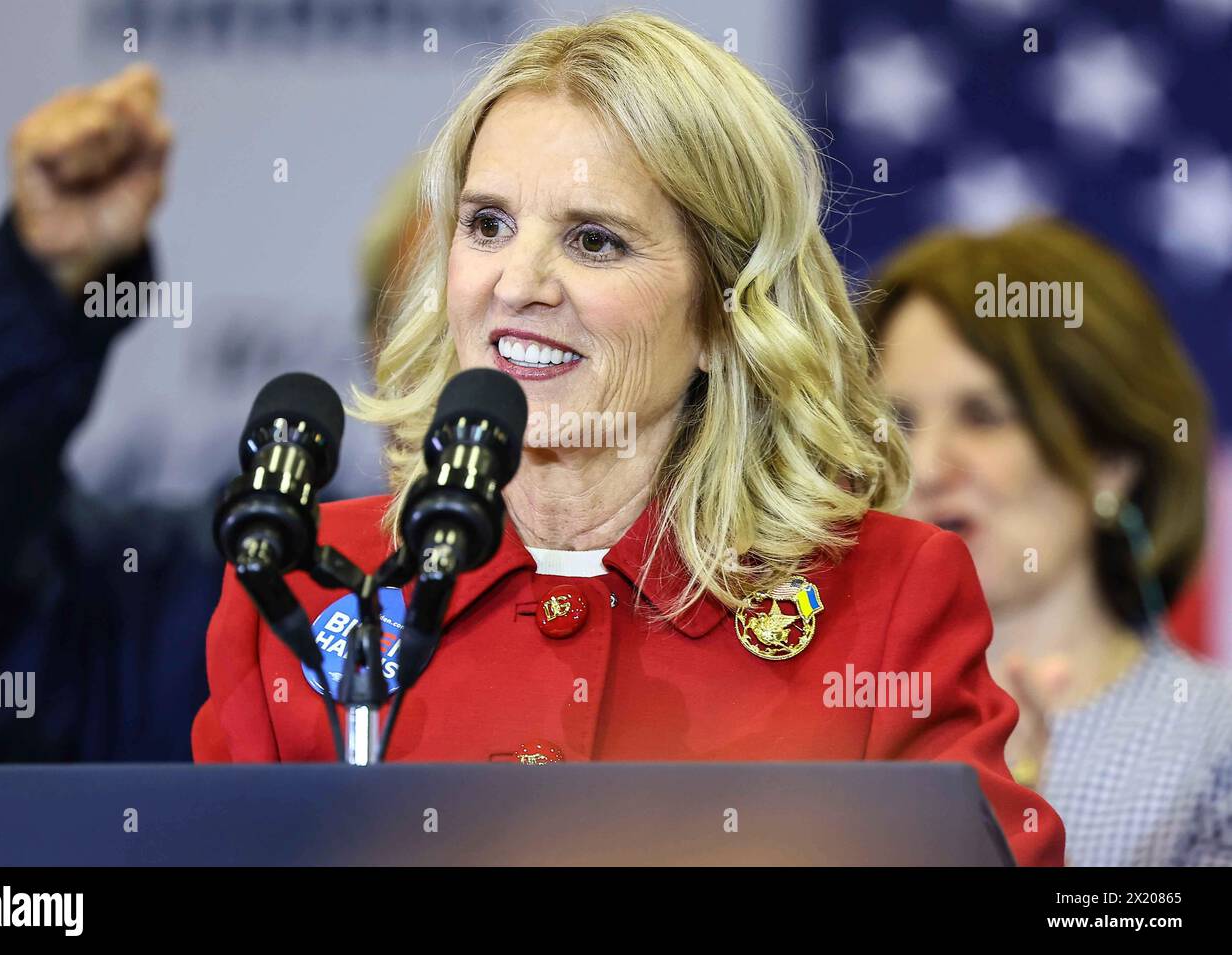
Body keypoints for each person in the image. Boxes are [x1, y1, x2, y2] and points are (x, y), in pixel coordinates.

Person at [193, 12, 1065, 866]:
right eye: (487, 224)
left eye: (594, 241)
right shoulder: (299, 585)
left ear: (728, 315)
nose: (519, 284)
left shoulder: (885, 595)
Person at [0, 66, 405, 761]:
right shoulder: (206, 598)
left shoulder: (621, 606)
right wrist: (33, 299)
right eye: (427, 308)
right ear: (375, 347)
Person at [868, 217, 1232, 865]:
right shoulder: (818, 717)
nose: (923, 466)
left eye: (983, 416)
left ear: (1109, 462)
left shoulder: (1215, 743)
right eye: (899, 421)